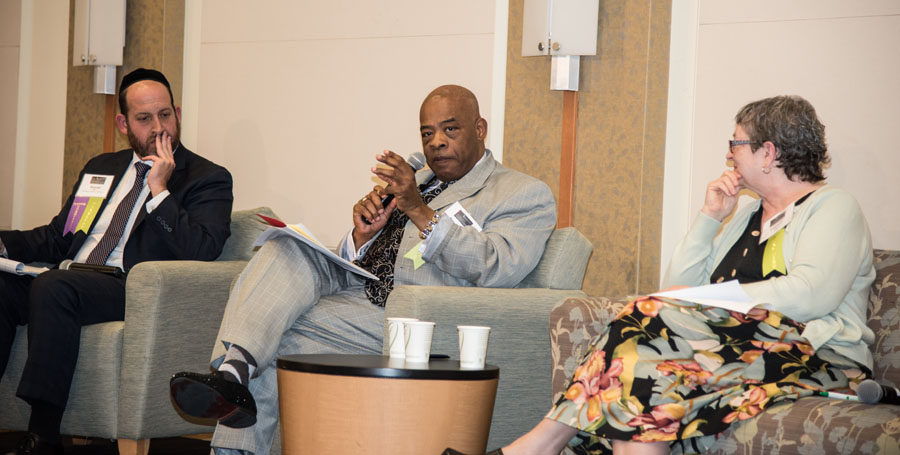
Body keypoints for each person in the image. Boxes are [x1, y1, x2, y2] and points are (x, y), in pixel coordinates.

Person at [444, 95, 875, 455]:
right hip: (737, 351)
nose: (728, 154)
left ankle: (535, 446)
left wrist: (715, 301)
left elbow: (811, 294)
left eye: (736, 143)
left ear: (769, 153)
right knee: (641, 375)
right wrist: (709, 218)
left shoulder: (832, 206)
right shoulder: (746, 215)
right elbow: (674, 292)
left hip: (818, 358)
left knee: (640, 340)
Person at [169, 85, 558, 455]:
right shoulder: (419, 178)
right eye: (427, 133)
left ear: (480, 129)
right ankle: (234, 374)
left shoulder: (521, 192)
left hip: (413, 316)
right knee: (283, 245)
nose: (436, 141)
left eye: (449, 129)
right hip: (359, 287)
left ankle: (232, 413)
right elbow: (378, 253)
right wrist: (362, 235)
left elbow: (498, 265)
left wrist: (418, 210)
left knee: (281, 331)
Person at [0, 68, 234, 455]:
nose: (159, 129)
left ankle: (44, 436)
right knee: (7, 286)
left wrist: (159, 191)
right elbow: (61, 237)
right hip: (71, 277)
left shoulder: (207, 178)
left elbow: (202, 249)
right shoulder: (103, 168)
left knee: (54, 286)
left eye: (165, 115)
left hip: (129, 286)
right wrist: (6, 245)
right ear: (124, 123)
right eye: (145, 119)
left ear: (177, 112)